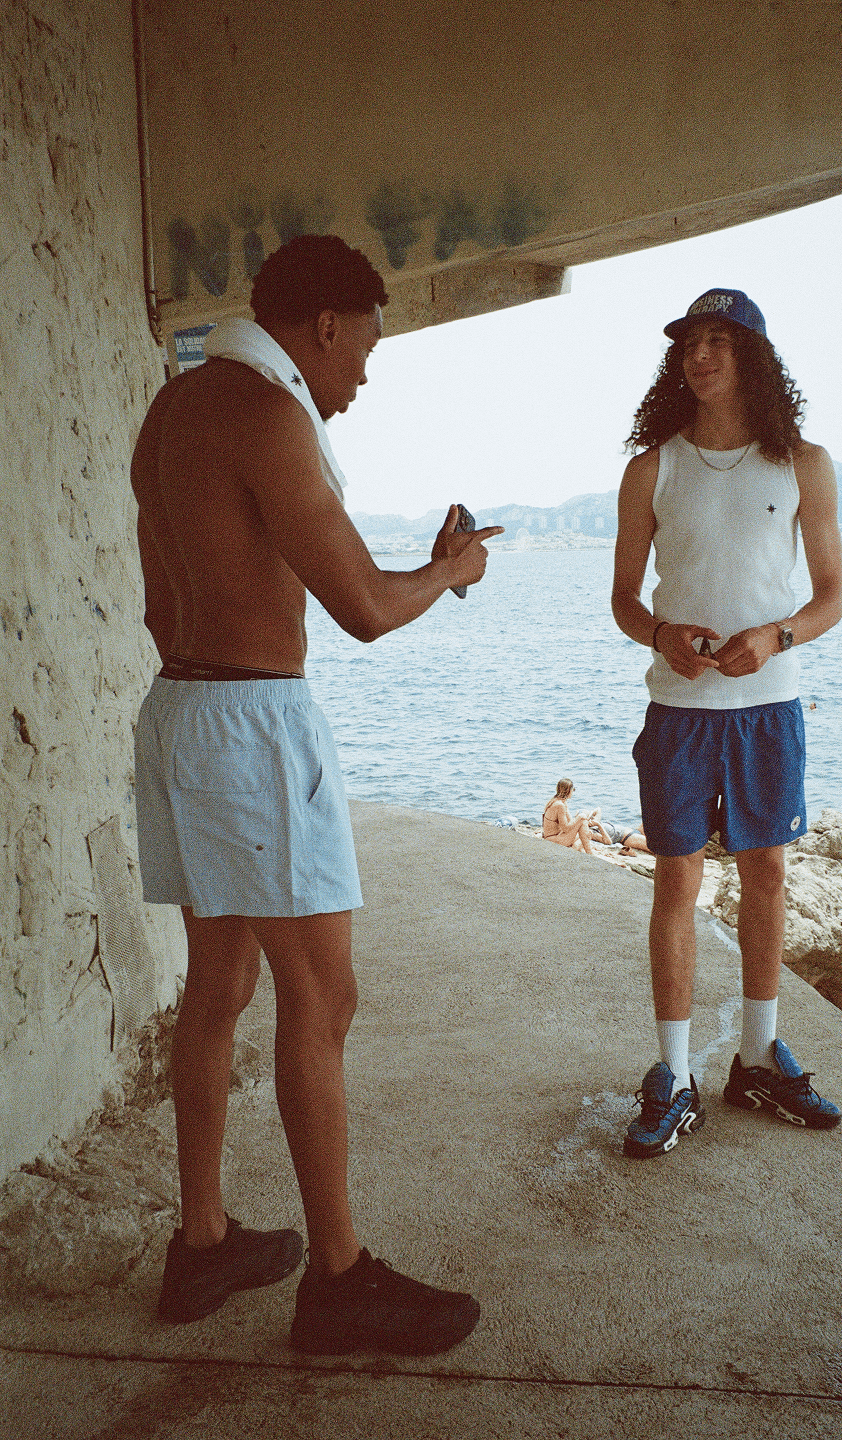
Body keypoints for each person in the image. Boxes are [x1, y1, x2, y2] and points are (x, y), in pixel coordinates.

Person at [131, 233, 503, 1353]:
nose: (357, 386)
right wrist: (451, 569)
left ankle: (202, 1244)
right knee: (322, 997)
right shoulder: (270, 414)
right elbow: (367, 611)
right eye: (362, 357)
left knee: (219, 982)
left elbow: (169, 596)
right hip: (250, 722)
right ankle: (338, 1281)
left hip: (181, 709)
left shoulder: (175, 410)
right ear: (326, 326)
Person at [611, 287, 842, 1159]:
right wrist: (661, 633)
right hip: (678, 710)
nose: (699, 356)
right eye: (688, 343)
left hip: (767, 707)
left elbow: (828, 600)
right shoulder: (652, 467)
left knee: (769, 876)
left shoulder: (803, 464)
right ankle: (672, 1076)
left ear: (752, 356)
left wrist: (776, 635)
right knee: (675, 884)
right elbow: (624, 601)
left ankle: (755, 1057)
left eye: (718, 340)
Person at [542, 779, 595, 853]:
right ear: (568, 790)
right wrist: (580, 817)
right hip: (553, 840)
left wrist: (580, 821)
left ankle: (577, 849)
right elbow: (565, 828)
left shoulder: (559, 801)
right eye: (573, 789)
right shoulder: (560, 805)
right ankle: (589, 853)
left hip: (557, 836)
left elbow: (570, 821)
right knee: (582, 820)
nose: (573, 791)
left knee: (587, 833)